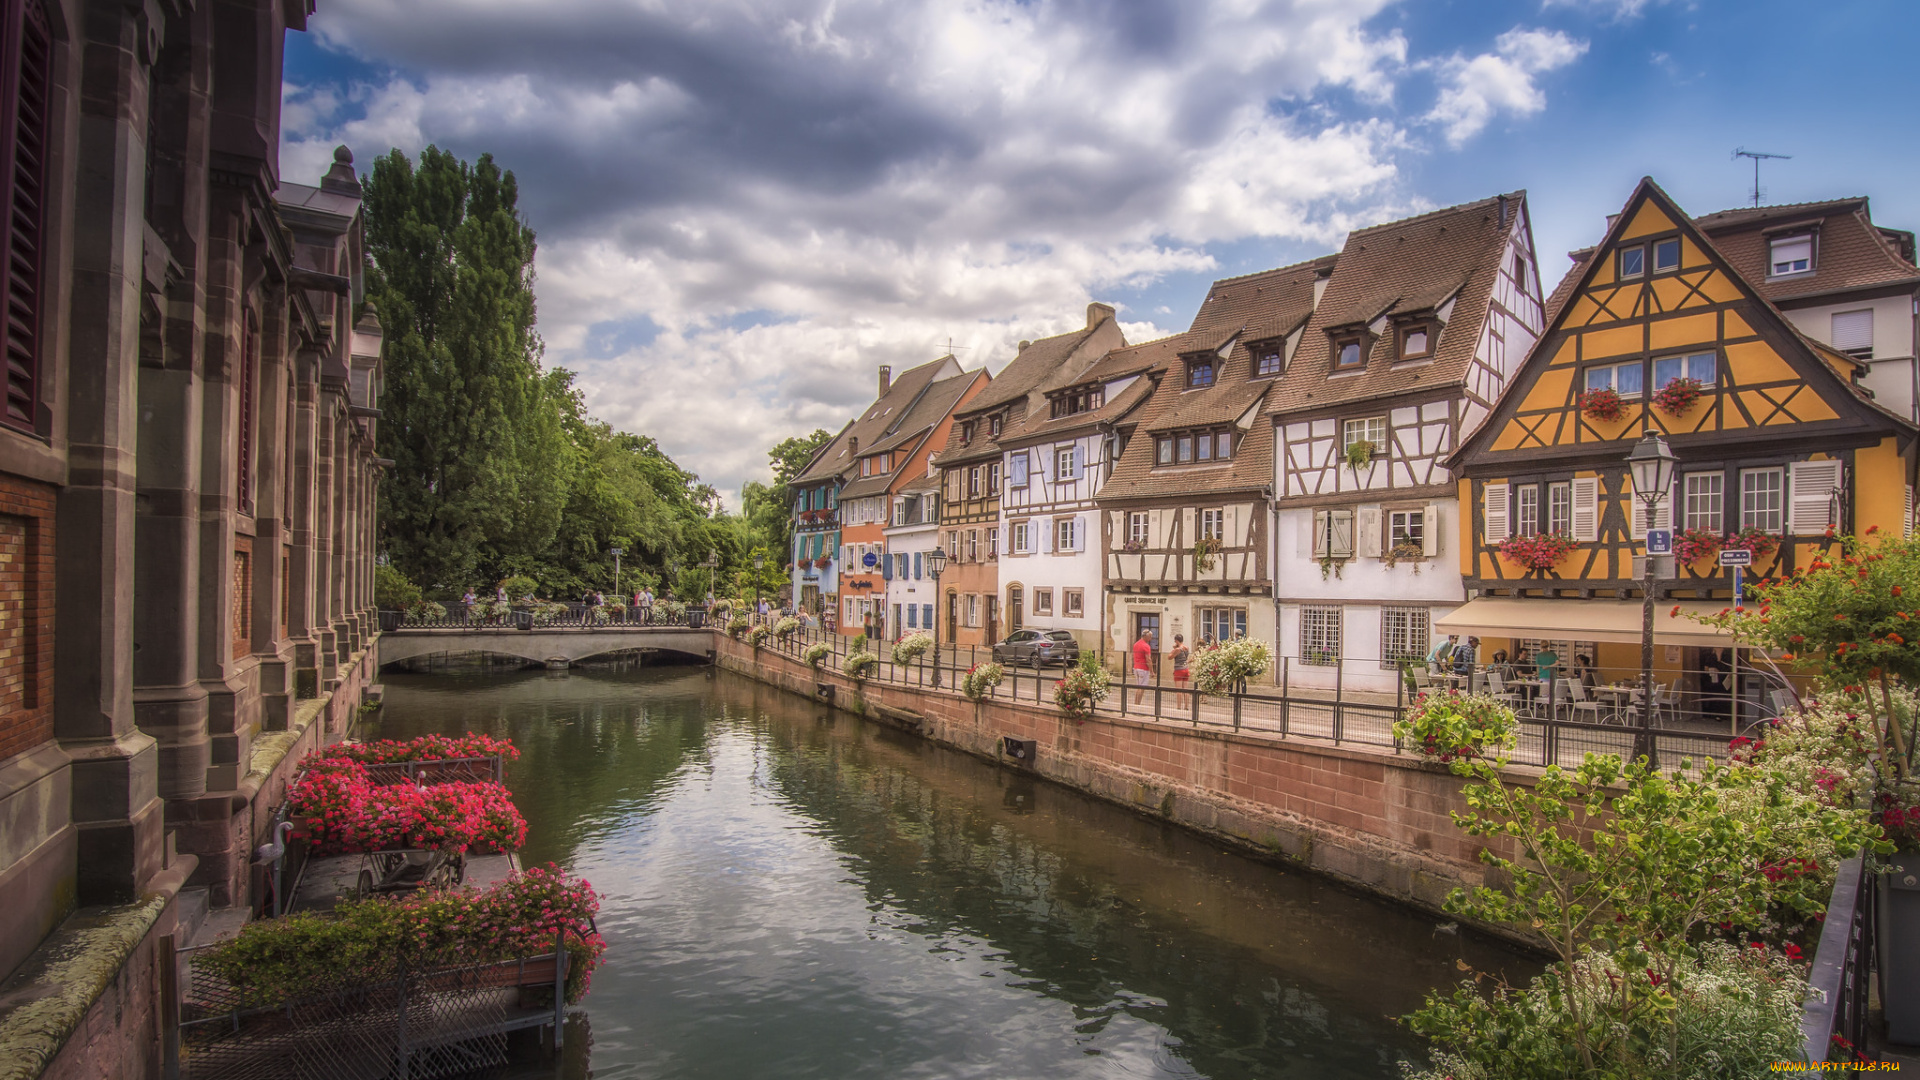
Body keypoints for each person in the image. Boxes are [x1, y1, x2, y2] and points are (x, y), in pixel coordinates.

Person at [1131, 629, 1154, 705]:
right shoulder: (1146, 646)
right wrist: (1152, 671)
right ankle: (1138, 704)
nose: (1151, 639)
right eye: (1150, 637)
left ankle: (1136, 703)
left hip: (1136, 667)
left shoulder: (1136, 644)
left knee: (1138, 686)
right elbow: (1148, 659)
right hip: (1143, 668)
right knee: (1142, 687)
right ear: (1146, 636)